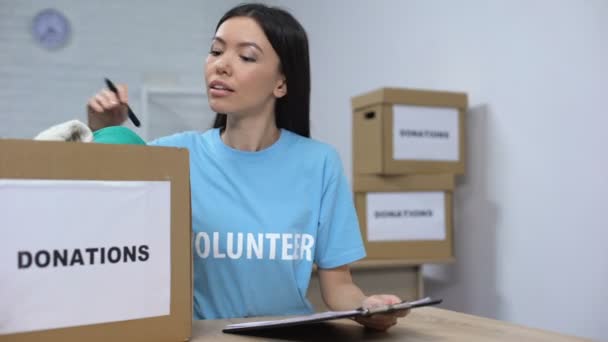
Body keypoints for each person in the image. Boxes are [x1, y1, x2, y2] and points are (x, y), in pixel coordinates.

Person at [86, 3, 408, 331]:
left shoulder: (320, 163)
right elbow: (96, 203)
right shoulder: (174, 156)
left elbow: (338, 287)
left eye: (246, 56)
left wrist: (368, 308)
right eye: (215, 51)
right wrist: (103, 128)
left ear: (281, 83)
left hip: (293, 335)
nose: (221, 66)